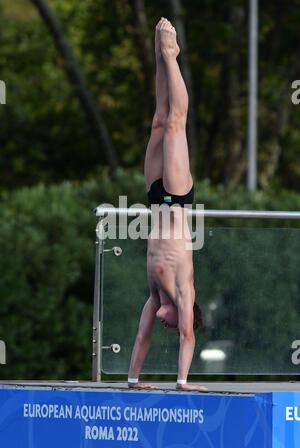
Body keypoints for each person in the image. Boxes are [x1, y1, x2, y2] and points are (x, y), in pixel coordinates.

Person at [128, 18, 206, 392]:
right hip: (176, 196)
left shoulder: (154, 296)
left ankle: (160, 55)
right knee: (177, 123)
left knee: (158, 122)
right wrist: (182, 381)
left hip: (154, 197)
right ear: (185, 312)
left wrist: (133, 379)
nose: (168, 326)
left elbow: (142, 336)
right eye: (174, 323)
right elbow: (188, 337)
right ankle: (172, 55)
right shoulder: (183, 290)